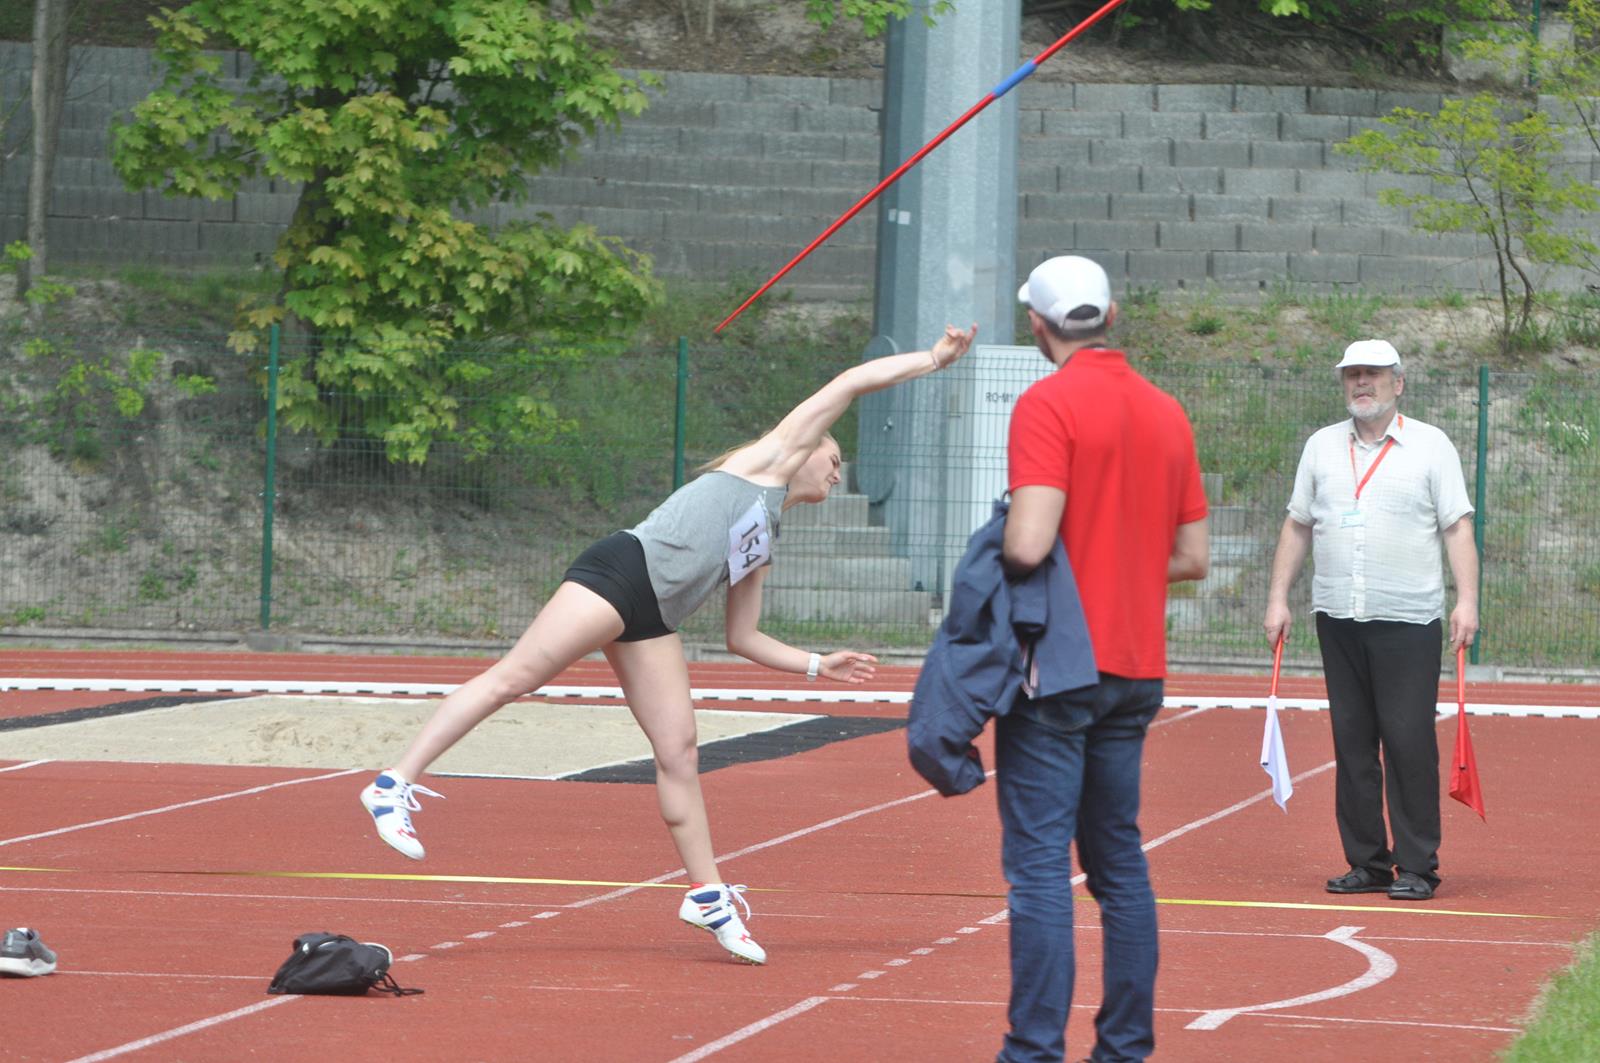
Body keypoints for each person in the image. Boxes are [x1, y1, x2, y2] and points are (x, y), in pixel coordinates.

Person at [358, 322, 978, 965]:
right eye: (834, 456)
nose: (838, 470)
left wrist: (819, 663)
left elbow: (742, 636)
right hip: (620, 573)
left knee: (680, 751)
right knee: (515, 679)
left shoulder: (765, 534)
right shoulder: (765, 464)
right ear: (806, 444)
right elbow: (850, 381)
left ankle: (706, 896)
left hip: (653, 618)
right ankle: (393, 784)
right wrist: (933, 360)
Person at [998, 255, 1210, 1063]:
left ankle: (1032, 1051)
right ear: (1112, 315)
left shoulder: (1047, 403)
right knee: (1118, 862)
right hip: (1136, 666)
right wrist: (1119, 556)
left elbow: (1028, 543)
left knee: (1039, 868)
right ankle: (1123, 1048)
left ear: (1038, 324)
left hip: (1058, 665)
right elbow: (1192, 556)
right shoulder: (1166, 410)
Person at [1263, 339, 1478, 904]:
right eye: (1353, 374)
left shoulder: (1431, 445)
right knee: (1353, 743)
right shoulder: (1321, 446)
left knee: (1408, 741)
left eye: (1374, 374)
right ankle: (1367, 862)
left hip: (1408, 619)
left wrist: (1467, 600)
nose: (1362, 383)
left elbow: (1457, 526)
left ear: (1397, 383)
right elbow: (1298, 524)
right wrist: (1278, 598)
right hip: (1338, 616)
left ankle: (1418, 866)